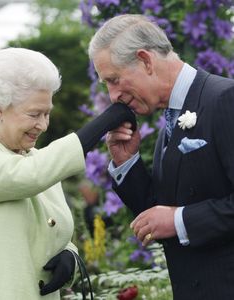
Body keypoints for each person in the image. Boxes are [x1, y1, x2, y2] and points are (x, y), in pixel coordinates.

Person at [0, 47, 136, 300]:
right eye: (34, 114)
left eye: (47, 113)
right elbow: (25, 177)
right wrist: (102, 123)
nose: (43, 124)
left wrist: (70, 257)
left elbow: (52, 230)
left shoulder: (41, 161)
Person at [88, 14, 234, 300]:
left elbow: (173, 218)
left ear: (145, 60)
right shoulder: (171, 116)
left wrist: (181, 221)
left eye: (114, 80)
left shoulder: (225, 99)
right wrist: (126, 163)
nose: (113, 95)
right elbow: (159, 213)